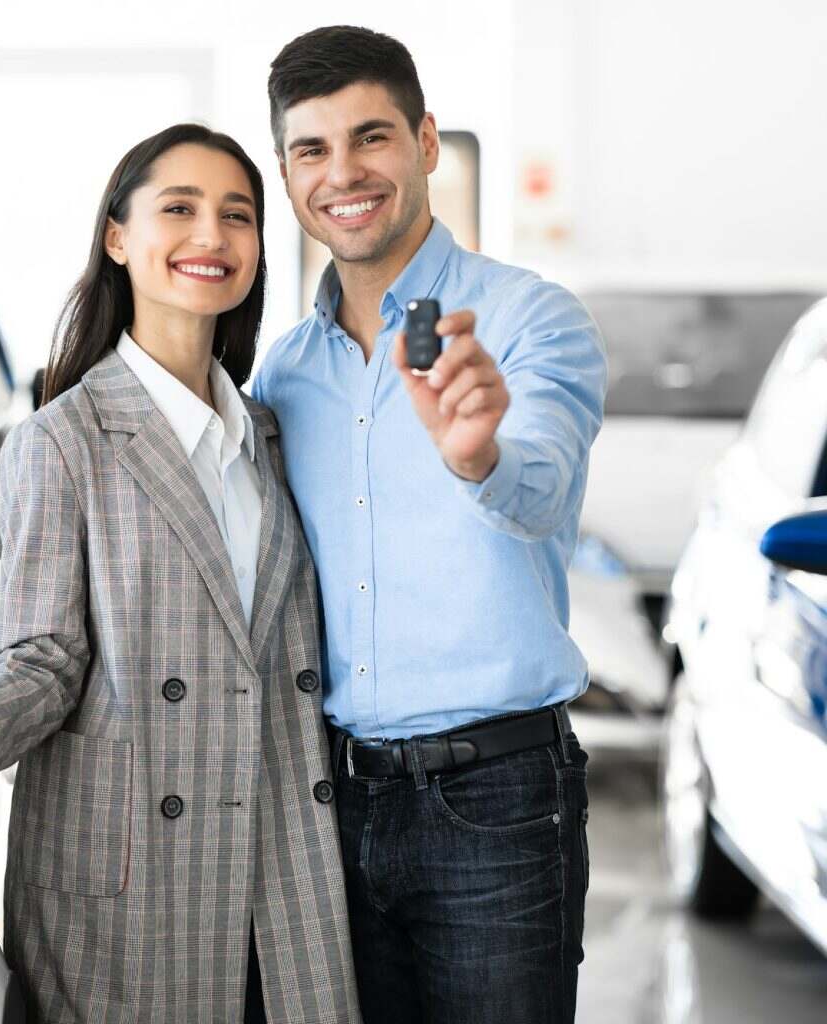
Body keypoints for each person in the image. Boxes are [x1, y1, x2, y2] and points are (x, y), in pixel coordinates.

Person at [0, 123, 359, 1023]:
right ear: (117, 237)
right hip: (137, 874)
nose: (211, 236)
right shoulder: (61, 441)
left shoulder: (271, 435)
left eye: (237, 215)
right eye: (178, 208)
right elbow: (43, 655)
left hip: (281, 863)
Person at [251, 25, 608, 1024]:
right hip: (332, 802)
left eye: (371, 137)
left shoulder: (531, 320)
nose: (343, 173)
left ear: (425, 141)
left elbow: (542, 487)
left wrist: (477, 455)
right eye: (312, 149)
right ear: (287, 173)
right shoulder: (283, 372)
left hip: (497, 805)